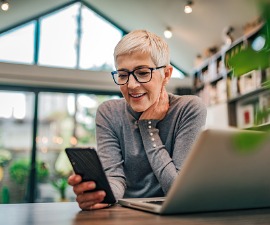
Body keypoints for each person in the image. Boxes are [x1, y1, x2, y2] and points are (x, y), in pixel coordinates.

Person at [68, 30, 207, 210]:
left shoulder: (189, 109)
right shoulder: (109, 112)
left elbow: (177, 190)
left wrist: (148, 127)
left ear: (166, 74)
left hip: (174, 215)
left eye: (142, 73)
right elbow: (115, 178)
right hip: (126, 215)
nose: (131, 85)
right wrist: (100, 194)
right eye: (123, 75)